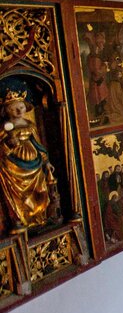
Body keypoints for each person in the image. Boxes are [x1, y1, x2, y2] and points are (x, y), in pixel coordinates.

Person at [0, 87, 60, 232]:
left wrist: (46, 163)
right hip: (13, 169)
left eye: (21, 107)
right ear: (6, 110)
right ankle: (21, 219)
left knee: (41, 192)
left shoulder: (30, 125)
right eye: (14, 109)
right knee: (20, 197)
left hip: (35, 166)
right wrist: (8, 144)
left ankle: (40, 218)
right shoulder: (3, 128)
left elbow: (39, 146)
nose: (19, 111)